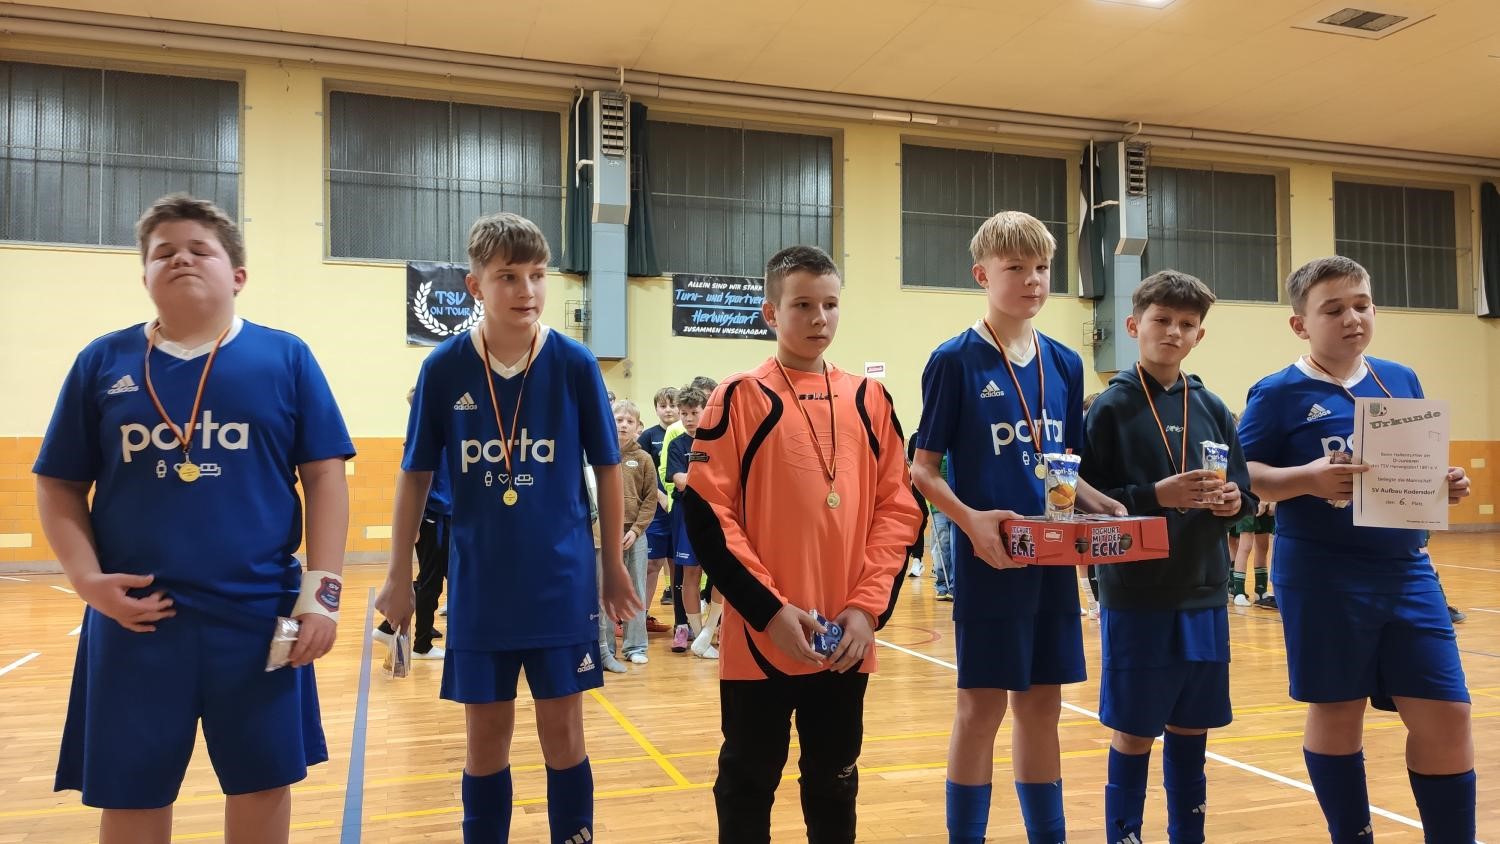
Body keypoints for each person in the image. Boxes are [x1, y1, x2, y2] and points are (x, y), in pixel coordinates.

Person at [35, 194, 353, 844]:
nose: (181, 258)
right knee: (131, 791)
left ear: (237, 276)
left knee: (263, 784)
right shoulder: (103, 362)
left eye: (199, 249)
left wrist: (321, 597)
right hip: (137, 620)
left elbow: (325, 477)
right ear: (145, 276)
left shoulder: (285, 357)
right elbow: (58, 483)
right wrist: (87, 582)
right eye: (164, 252)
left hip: (259, 616)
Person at [375, 211, 643, 843]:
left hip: (560, 586)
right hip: (481, 589)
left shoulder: (575, 363)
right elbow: (414, 476)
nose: (527, 290)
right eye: (508, 277)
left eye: (538, 275)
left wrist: (610, 566)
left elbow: (608, 468)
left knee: (565, 734)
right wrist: (398, 577)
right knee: (486, 740)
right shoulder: (444, 369)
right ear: (476, 286)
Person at [682, 244, 922, 843]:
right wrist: (769, 611)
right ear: (771, 313)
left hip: (845, 639)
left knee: (834, 785)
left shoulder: (870, 399)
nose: (820, 318)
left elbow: (899, 510)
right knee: (747, 784)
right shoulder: (740, 396)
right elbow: (708, 513)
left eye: (831, 304)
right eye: (803, 305)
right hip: (761, 637)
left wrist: (866, 609)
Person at [1239, 256, 1474, 843]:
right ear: (1300, 324)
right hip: (1321, 572)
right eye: (1334, 309)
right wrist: (1306, 479)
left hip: (1406, 569)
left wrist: (1444, 482)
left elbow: (1414, 463)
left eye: (1362, 305)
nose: (1353, 318)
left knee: (1447, 711)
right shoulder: (1276, 393)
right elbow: (1246, 475)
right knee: (1338, 709)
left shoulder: (1400, 379)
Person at [911, 210, 1126, 844]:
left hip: (1053, 561)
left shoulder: (1064, 363)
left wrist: (1102, 505)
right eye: (1016, 268)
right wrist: (971, 523)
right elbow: (922, 470)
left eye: (1042, 268)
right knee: (980, 708)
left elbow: (1062, 470)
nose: (1033, 280)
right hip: (993, 559)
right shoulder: (954, 360)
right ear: (982, 275)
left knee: (1043, 707)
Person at [1080, 270, 1254, 844]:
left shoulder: (1214, 407)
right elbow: (1081, 498)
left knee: (1192, 728)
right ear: (1134, 326)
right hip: (1137, 596)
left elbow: (1245, 491)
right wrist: (1155, 495)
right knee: (1134, 730)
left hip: (1203, 593)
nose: (1173, 332)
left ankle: (1188, 834)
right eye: (1162, 320)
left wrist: (1234, 502)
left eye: (1187, 324)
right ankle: (1125, 835)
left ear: (1199, 335)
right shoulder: (1109, 408)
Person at [374, 386, 451, 659]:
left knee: (439, 576)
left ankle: (405, 628)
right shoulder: (424, 437)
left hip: (442, 514)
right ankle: (420, 644)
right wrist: (415, 524)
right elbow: (416, 481)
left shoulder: (441, 432)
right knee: (431, 580)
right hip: (433, 515)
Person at [611, 399, 659, 665]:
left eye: (629, 421)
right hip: (604, 534)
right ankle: (605, 648)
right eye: (619, 420)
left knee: (636, 589)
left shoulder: (643, 459)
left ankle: (635, 646)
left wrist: (637, 530)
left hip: (635, 535)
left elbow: (650, 499)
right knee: (603, 590)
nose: (624, 425)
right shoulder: (598, 455)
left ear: (638, 426)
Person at [666, 386, 709, 652]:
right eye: (684, 413)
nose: (689, 418)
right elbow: (680, 481)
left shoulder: (718, 440)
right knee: (688, 573)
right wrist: (709, 480)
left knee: (719, 574)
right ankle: (692, 631)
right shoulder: (677, 444)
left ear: (705, 411)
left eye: (694, 412)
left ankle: (714, 628)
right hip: (686, 514)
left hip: (716, 513)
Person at [640, 386, 678, 623]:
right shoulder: (648, 436)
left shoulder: (686, 434)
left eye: (673, 405)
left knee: (678, 564)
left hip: (680, 508)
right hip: (656, 510)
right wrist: (660, 496)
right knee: (652, 564)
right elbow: (642, 473)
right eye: (663, 406)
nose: (668, 410)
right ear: (656, 409)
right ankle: (641, 616)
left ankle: (682, 620)